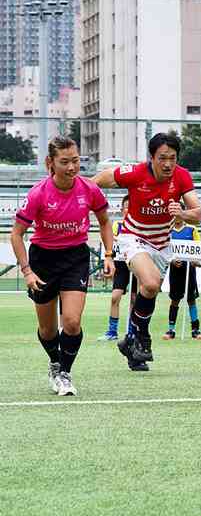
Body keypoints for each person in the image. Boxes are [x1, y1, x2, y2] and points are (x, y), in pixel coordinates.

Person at [11, 137, 115, 395]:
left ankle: (64, 373)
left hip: (75, 258)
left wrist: (109, 255)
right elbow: (17, 234)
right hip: (43, 261)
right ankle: (55, 362)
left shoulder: (89, 189)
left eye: (76, 161)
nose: (72, 167)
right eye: (65, 162)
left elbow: (104, 221)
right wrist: (27, 271)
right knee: (47, 329)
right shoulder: (38, 194)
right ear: (51, 163)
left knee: (71, 322)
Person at [93, 133, 201, 372]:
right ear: (151, 157)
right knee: (151, 284)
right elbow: (97, 181)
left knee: (147, 293)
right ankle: (142, 336)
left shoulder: (182, 176)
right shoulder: (134, 173)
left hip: (162, 244)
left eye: (172, 158)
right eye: (162, 158)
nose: (168, 164)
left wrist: (181, 213)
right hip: (134, 238)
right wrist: (81, 201)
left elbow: (198, 214)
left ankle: (132, 344)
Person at [98, 195, 138, 342]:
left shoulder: (140, 226)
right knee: (115, 297)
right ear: (122, 210)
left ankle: (132, 331)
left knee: (134, 299)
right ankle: (112, 331)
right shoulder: (117, 225)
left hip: (136, 265)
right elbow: (111, 242)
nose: (128, 210)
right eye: (126, 207)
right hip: (121, 265)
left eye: (131, 207)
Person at [163, 210, 201, 340]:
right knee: (175, 299)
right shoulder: (167, 231)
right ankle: (171, 330)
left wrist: (195, 259)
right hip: (175, 269)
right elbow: (164, 250)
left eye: (179, 213)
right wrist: (172, 260)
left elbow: (198, 248)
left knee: (191, 299)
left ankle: (195, 329)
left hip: (189, 269)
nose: (177, 217)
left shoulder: (192, 230)